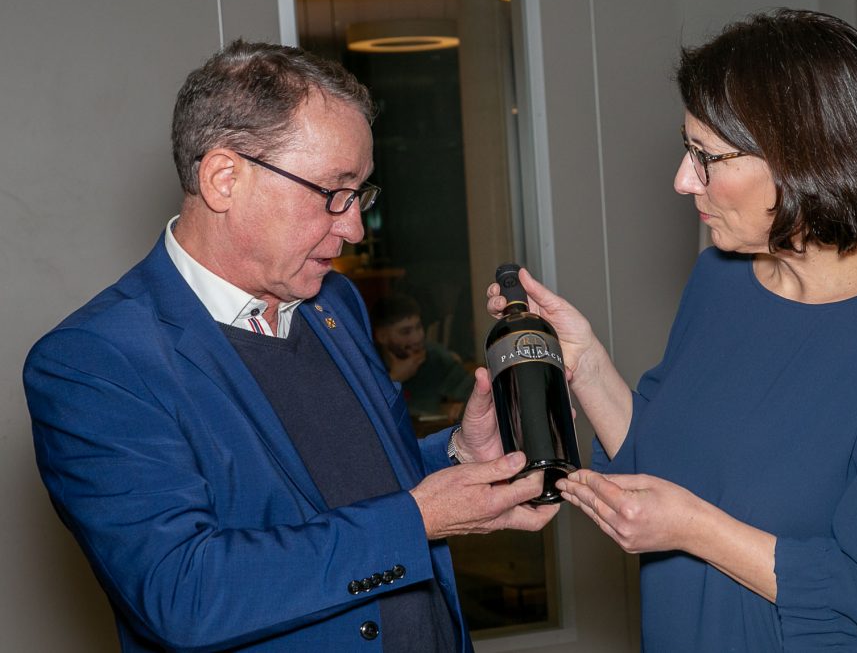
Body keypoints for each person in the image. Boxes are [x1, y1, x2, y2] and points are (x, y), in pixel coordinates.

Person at [23, 40, 557, 652]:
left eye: (361, 195)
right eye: (334, 191)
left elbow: (354, 491)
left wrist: (459, 455)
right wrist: (417, 521)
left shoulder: (334, 303)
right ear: (224, 177)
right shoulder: (95, 362)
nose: (353, 227)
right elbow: (186, 593)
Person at [488, 9, 857, 652]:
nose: (682, 179)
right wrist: (585, 361)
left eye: (705, 156)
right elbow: (659, 464)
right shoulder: (724, 276)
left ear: (803, 158)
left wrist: (696, 530)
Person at [372, 293, 475, 421]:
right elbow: (367, 410)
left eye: (418, 327)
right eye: (405, 332)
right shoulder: (369, 363)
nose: (417, 338)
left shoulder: (436, 357)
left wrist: (461, 407)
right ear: (382, 337)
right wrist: (395, 378)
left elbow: (474, 392)